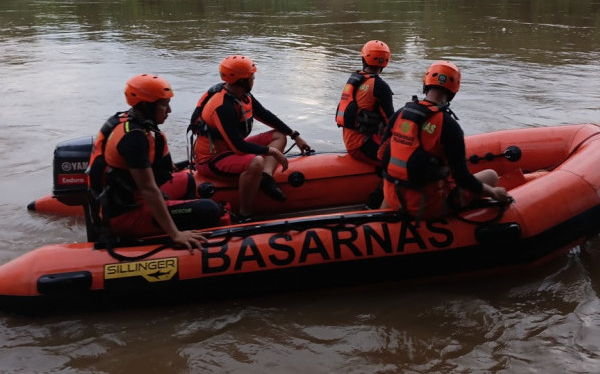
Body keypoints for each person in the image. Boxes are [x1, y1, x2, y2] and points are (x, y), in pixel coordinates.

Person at [88, 74, 221, 253]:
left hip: (132, 198)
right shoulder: (133, 138)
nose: (169, 110)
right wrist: (175, 234)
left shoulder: (135, 124)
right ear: (146, 106)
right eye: (164, 105)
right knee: (209, 209)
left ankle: (175, 217)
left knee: (187, 180)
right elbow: (148, 189)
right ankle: (177, 233)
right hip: (124, 214)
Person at [380, 61, 511, 220]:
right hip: (425, 206)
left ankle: (380, 217)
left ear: (425, 84)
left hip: (392, 196)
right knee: (491, 175)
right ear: (453, 91)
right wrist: (493, 193)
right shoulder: (449, 126)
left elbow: (382, 154)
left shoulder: (400, 114)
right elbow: (462, 177)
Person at [191, 55, 311, 217]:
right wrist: (272, 151)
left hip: (229, 150)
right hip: (211, 159)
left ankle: (266, 177)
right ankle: (245, 213)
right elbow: (238, 147)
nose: (254, 79)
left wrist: (294, 135)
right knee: (256, 161)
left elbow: (266, 116)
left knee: (279, 135)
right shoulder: (222, 106)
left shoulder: (243, 96)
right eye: (251, 77)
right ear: (242, 80)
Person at [335, 40, 394, 208]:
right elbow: (392, 122)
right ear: (385, 63)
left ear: (364, 58)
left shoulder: (355, 79)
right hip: (362, 144)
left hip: (351, 139)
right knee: (398, 163)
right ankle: (374, 204)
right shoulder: (380, 87)